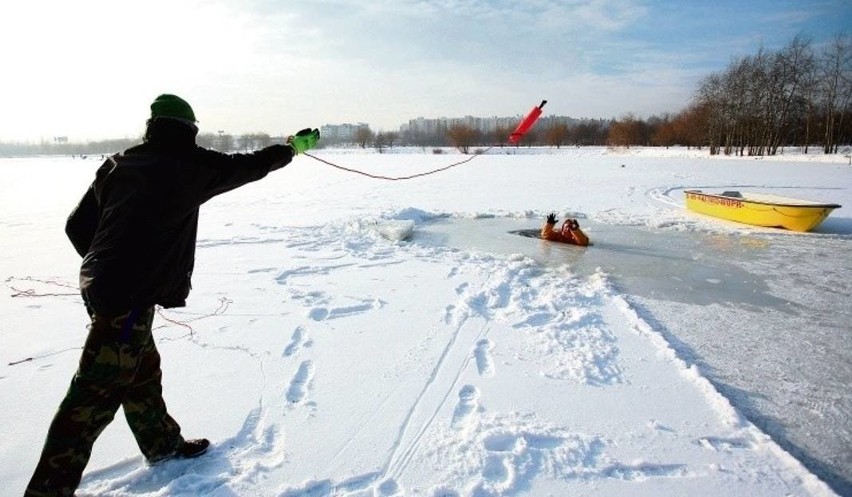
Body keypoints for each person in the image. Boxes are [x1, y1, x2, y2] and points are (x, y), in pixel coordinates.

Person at [24, 94, 320, 497]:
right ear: (189, 129)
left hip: (105, 288)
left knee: (142, 372)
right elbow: (251, 165)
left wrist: (107, 266)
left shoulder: (120, 162)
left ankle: (163, 445)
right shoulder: (189, 164)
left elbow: (77, 227)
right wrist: (290, 148)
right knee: (91, 399)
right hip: (124, 299)